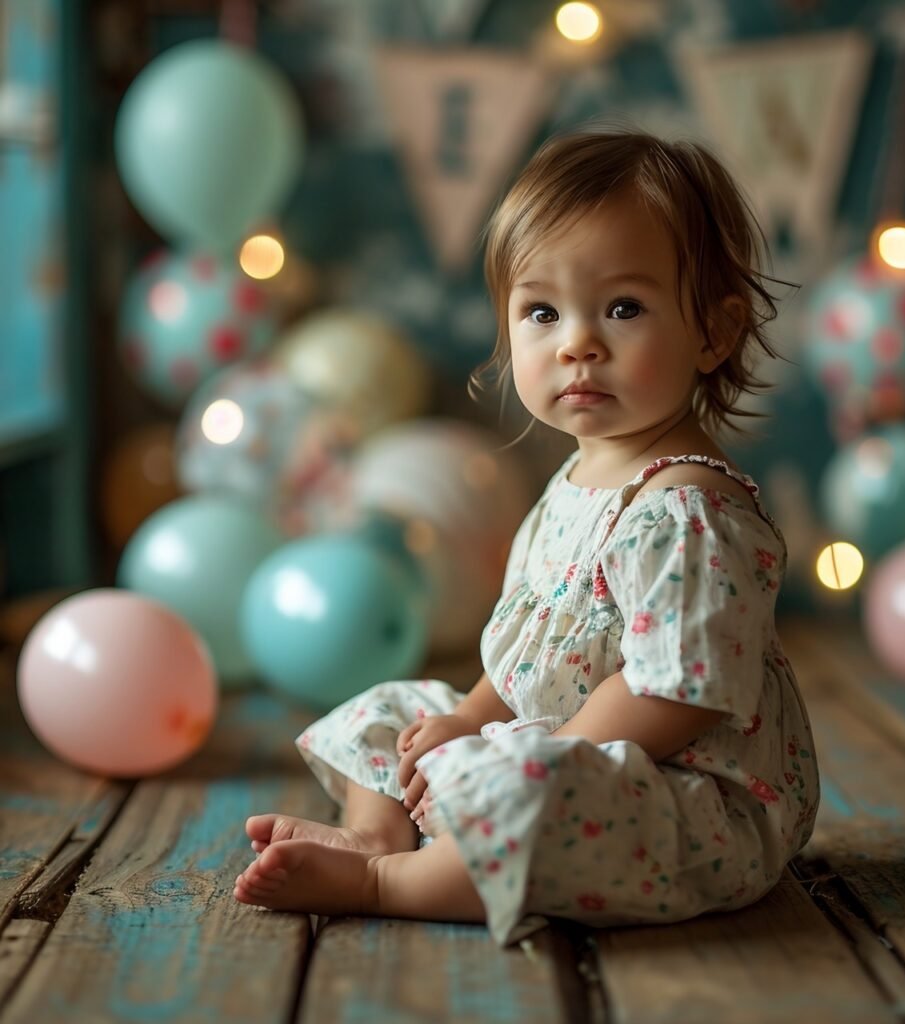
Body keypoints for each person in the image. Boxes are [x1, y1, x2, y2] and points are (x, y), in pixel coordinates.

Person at [233, 127, 820, 946]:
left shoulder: (689, 514)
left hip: (685, 804)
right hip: (560, 744)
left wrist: (525, 757)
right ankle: (379, 831)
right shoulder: (571, 490)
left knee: (535, 787)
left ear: (713, 334)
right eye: (542, 311)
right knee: (397, 708)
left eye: (623, 307)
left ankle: (389, 878)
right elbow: (533, 652)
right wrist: (471, 720)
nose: (577, 341)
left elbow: (671, 696)